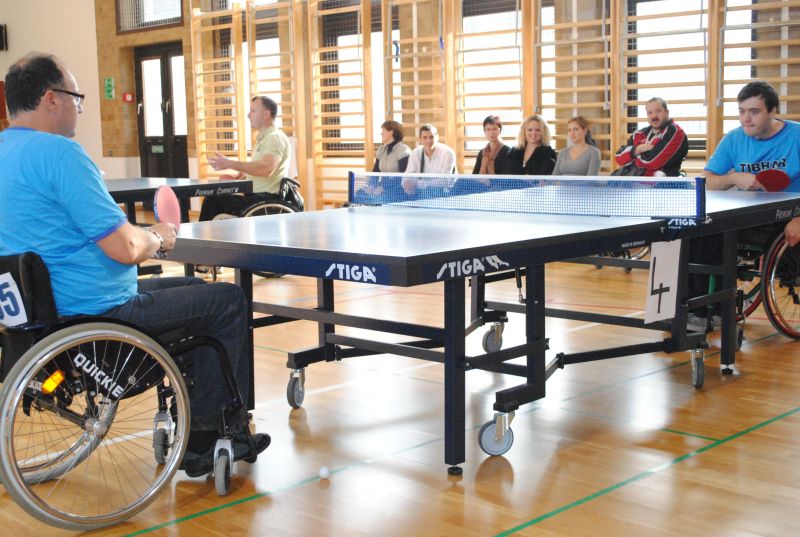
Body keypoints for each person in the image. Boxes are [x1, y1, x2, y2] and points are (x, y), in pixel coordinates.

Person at [0, 53, 269, 477]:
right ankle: (208, 439)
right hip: (98, 315)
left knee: (191, 289)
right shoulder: (61, 155)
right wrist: (159, 236)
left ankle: (195, 416)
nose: (80, 108)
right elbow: (126, 247)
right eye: (76, 98)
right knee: (228, 301)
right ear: (51, 99)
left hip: (34, 320)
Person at [687, 80, 800, 331]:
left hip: (790, 214)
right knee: (699, 233)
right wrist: (733, 178)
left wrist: (799, 219)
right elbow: (705, 180)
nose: (746, 118)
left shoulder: (796, 136)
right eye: (741, 111)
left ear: (773, 111)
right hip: (751, 216)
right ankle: (704, 311)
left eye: (754, 111)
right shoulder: (734, 139)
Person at [198, 95, 291, 221]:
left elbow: (266, 169)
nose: (248, 115)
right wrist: (246, 174)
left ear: (266, 114)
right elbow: (262, 167)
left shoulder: (274, 137)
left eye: (253, 111)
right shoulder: (264, 138)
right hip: (256, 197)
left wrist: (230, 163)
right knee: (215, 198)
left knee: (213, 200)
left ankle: (197, 234)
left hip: (265, 200)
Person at [614, 97, 689, 177]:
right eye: (650, 112)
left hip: (663, 183)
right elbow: (618, 157)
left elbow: (652, 162)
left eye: (658, 111)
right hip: (635, 181)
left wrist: (633, 156)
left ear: (667, 112)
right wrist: (638, 149)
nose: (654, 116)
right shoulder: (639, 134)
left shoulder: (676, 132)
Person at [355, 120, 411, 202]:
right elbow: (375, 172)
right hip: (383, 187)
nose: (381, 134)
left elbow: (405, 178)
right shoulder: (382, 149)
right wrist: (372, 186)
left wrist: (384, 188)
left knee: (378, 198)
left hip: (397, 190)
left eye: (383, 131)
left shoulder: (403, 150)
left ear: (391, 132)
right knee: (359, 193)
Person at [401, 124, 457, 198]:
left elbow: (445, 181)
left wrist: (419, 184)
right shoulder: (416, 153)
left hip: (447, 194)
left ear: (437, 137)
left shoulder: (448, 153)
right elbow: (407, 175)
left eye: (431, 137)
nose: (428, 140)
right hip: (422, 195)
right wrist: (407, 184)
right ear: (420, 139)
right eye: (425, 137)